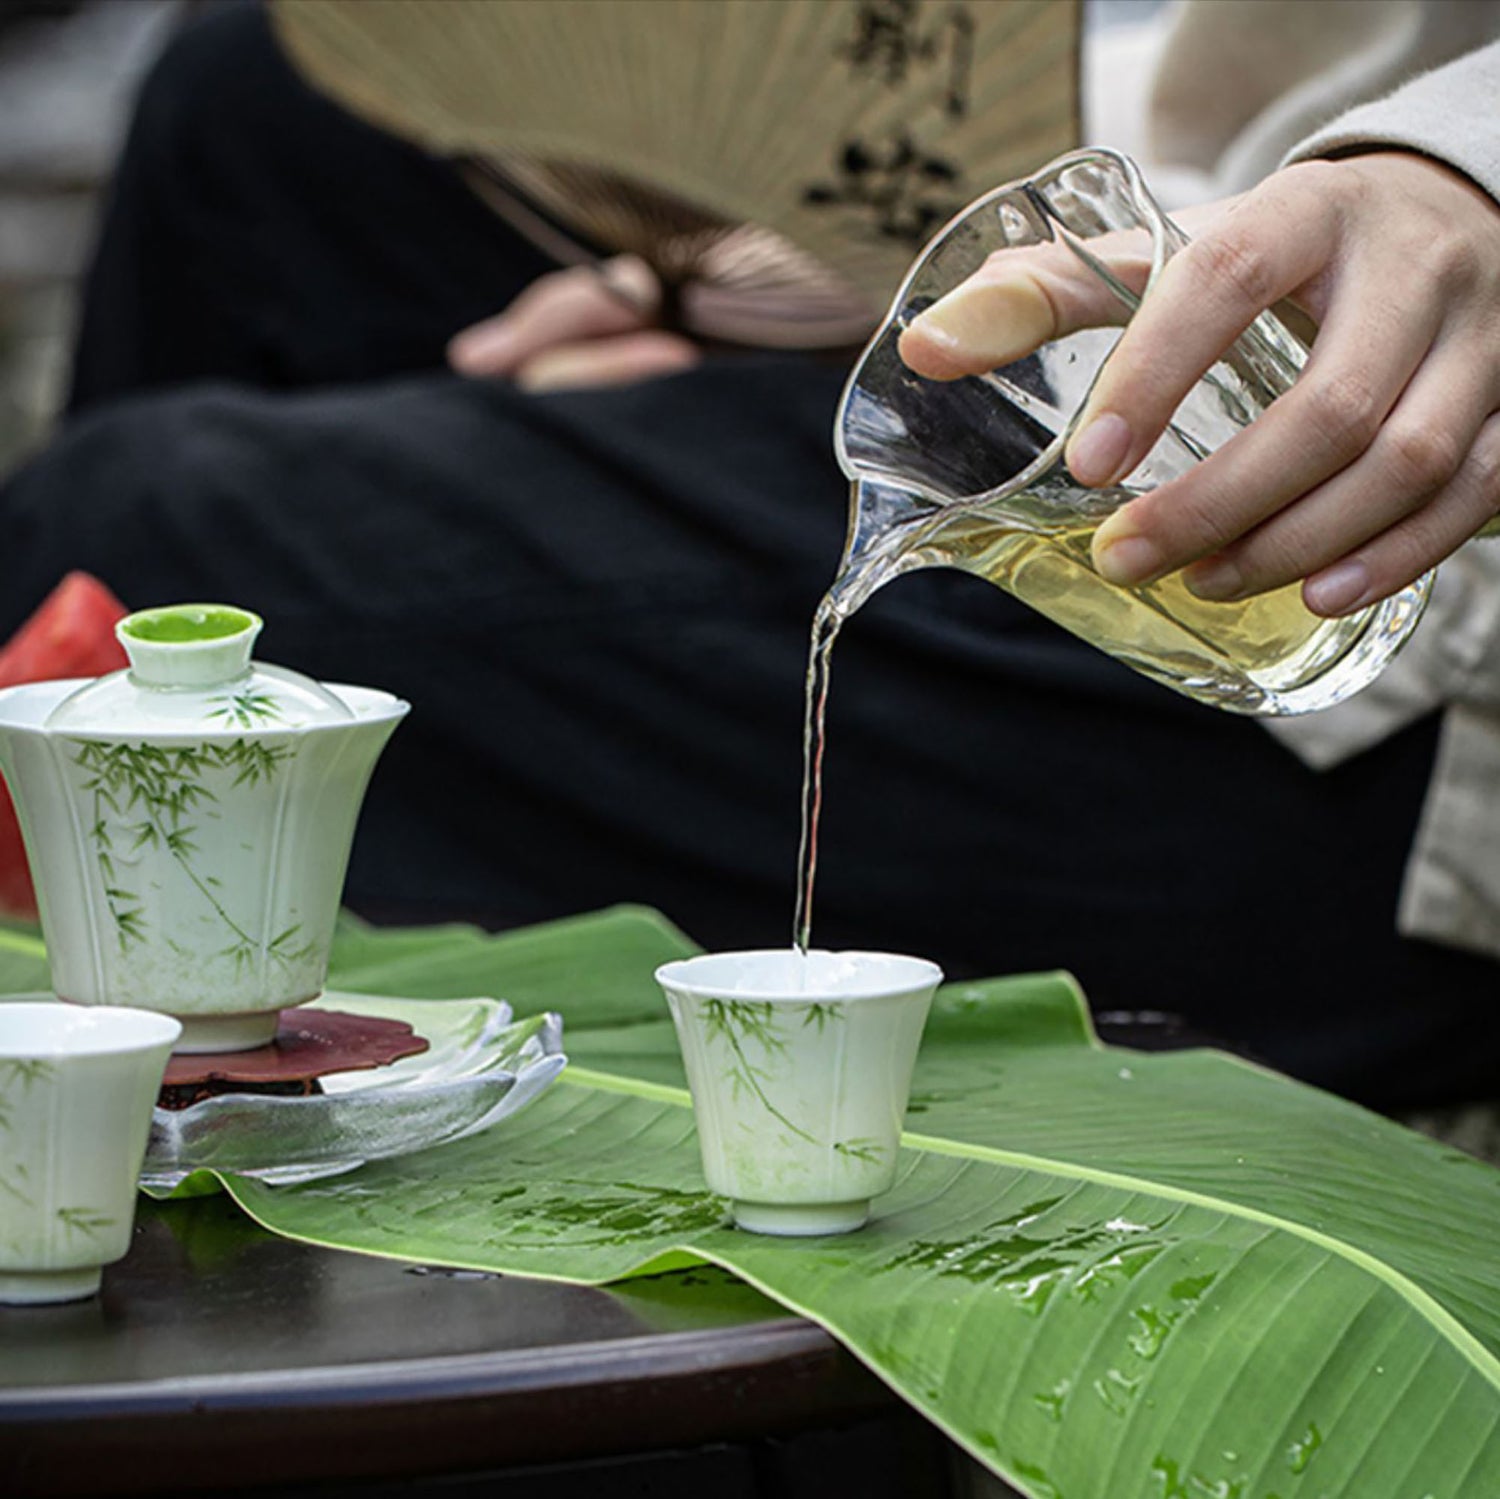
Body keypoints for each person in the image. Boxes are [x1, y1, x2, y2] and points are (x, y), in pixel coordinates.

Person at [0, 0, 1496, 1117]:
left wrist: (1464, 176)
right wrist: (829, 260)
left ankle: (156, 984)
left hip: (1391, 614)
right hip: (1257, 225)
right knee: (254, 109)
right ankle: (153, 956)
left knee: (140, 524)